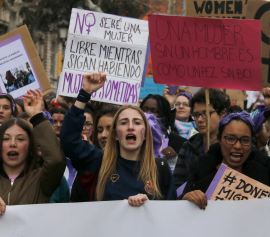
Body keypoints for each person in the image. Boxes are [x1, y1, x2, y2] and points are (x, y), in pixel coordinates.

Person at [61, 72, 176, 206]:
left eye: (137, 123)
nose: (131, 127)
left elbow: (170, 213)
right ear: (115, 134)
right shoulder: (98, 161)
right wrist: (84, 94)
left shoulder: (160, 168)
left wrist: (147, 207)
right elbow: (69, 140)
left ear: (145, 134)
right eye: (124, 122)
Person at [180, 111, 270, 209]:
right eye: (231, 139)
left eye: (245, 140)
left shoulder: (265, 176)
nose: (237, 146)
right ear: (219, 139)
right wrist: (186, 199)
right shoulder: (200, 175)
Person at [0, 89, 65, 211]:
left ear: (30, 145)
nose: (13, 144)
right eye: (6, 139)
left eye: (20, 139)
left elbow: (56, 160)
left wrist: (38, 117)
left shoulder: (41, 180)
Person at [173, 88, 231, 188]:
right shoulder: (188, 147)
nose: (200, 119)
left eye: (206, 114)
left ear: (222, 113)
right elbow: (176, 185)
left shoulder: (233, 147)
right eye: (196, 115)